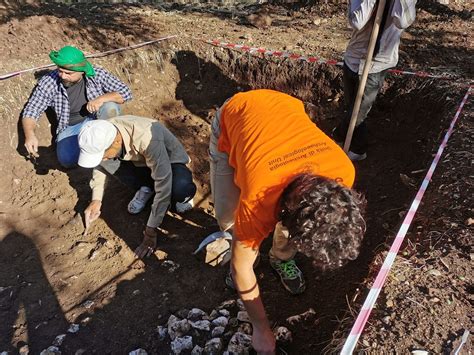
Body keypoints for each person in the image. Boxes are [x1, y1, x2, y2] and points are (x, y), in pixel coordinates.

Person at [210, 89, 366, 353]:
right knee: (227, 215)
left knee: (280, 231)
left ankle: (280, 257)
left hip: (284, 109)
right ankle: (251, 251)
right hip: (236, 114)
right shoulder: (259, 198)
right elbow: (241, 269)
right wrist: (261, 329)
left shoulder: (342, 171)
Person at [77, 115, 197, 258]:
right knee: (106, 161)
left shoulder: (147, 137)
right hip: (142, 163)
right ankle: (147, 187)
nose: (102, 158)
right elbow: (99, 164)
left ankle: (182, 197)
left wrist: (150, 231)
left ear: (116, 141)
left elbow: (163, 185)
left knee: (179, 187)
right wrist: (96, 200)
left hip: (170, 163)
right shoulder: (103, 131)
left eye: (102, 154)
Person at [22, 45, 132, 168]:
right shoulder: (50, 82)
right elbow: (32, 110)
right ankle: (94, 152)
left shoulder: (96, 74)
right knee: (67, 159)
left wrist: (101, 99)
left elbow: (125, 93)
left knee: (110, 108)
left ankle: (114, 149)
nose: (63, 76)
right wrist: (30, 135)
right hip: (71, 127)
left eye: (68, 73)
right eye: (60, 70)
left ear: (82, 71)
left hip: (97, 119)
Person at [333, 0, 417, 161]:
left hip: (377, 64)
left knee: (359, 111)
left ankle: (348, 142)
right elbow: (357, 21)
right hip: (354, 57)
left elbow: (403, 21)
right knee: (352, 107)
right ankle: (355, 145)